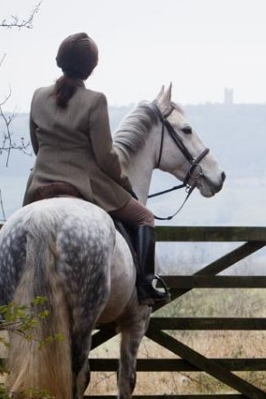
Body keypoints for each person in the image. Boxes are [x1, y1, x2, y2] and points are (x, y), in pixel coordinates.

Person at [22, 32, 169, 306]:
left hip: (39, 185)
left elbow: (37, 145)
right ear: (91, 68)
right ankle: (148, 285)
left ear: (59, 61)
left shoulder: (38, 96)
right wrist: (124, 184)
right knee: (145, 217)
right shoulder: (95, 100)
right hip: (84, 185)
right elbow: (105, 156)